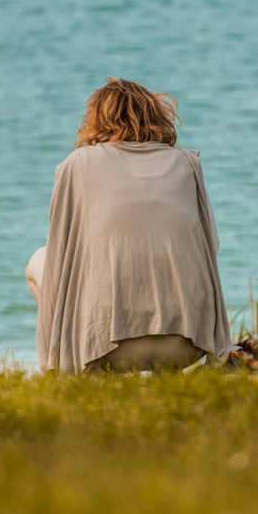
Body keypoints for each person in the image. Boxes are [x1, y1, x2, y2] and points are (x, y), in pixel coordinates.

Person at [26, 78, 232, 372]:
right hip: (188, 344)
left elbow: (60, 257)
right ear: (156, 115)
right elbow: (211, 245)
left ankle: (82, 371)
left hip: (106, 347)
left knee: (39, 260)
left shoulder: (76, 164)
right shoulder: (186, 163)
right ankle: (166, 374)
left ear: (96, 119)